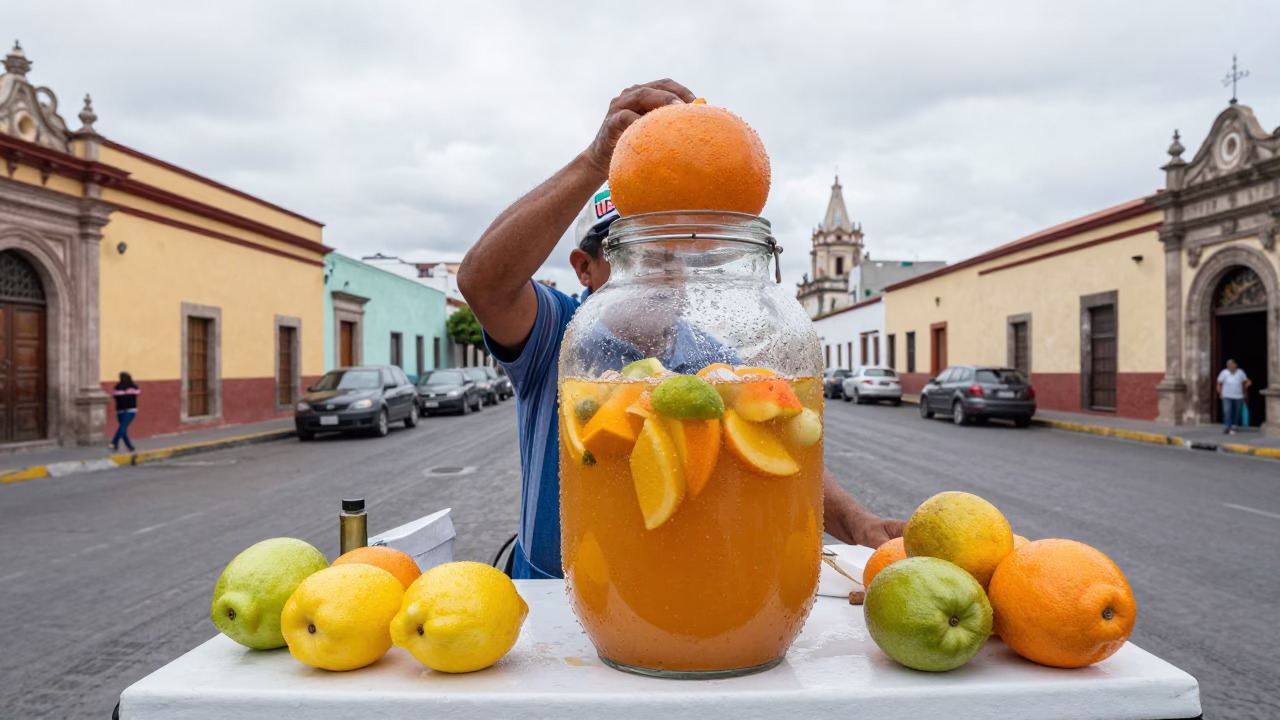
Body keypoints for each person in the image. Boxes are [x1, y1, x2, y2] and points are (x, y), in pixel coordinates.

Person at [458, 79, 905, 580]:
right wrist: (594, 161)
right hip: (553, 588)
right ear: (585, 268)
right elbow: (483, 283)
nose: (663, 268)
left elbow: (768, 437)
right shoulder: (556, 329)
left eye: (674, 252)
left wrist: (859, 524)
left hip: (668, 592)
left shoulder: (712, 356)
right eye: (638, 250)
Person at [1216, 358, 1251, 435]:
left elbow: (1245, 381)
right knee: (1227, 411)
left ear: (1236, 365)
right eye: (1230, 365)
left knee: (1236, 412)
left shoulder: (1240, 372)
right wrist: (1220, 393)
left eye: (1233, 365)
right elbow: (1219, 383)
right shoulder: (1224, 373)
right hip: (1227, 395)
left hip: (1238, 396)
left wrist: (1247, 386)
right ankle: (1228, 427)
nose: (1231, 367)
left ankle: (1234, 426)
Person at [111, 371, 140, 452]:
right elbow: (137, 394)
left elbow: (116, 397)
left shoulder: (117, 387)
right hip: (131, 410)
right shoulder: (133, 387)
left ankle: (117, 444)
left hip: (120, 410)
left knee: (122, 428)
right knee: (123, 428)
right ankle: (118, 443)